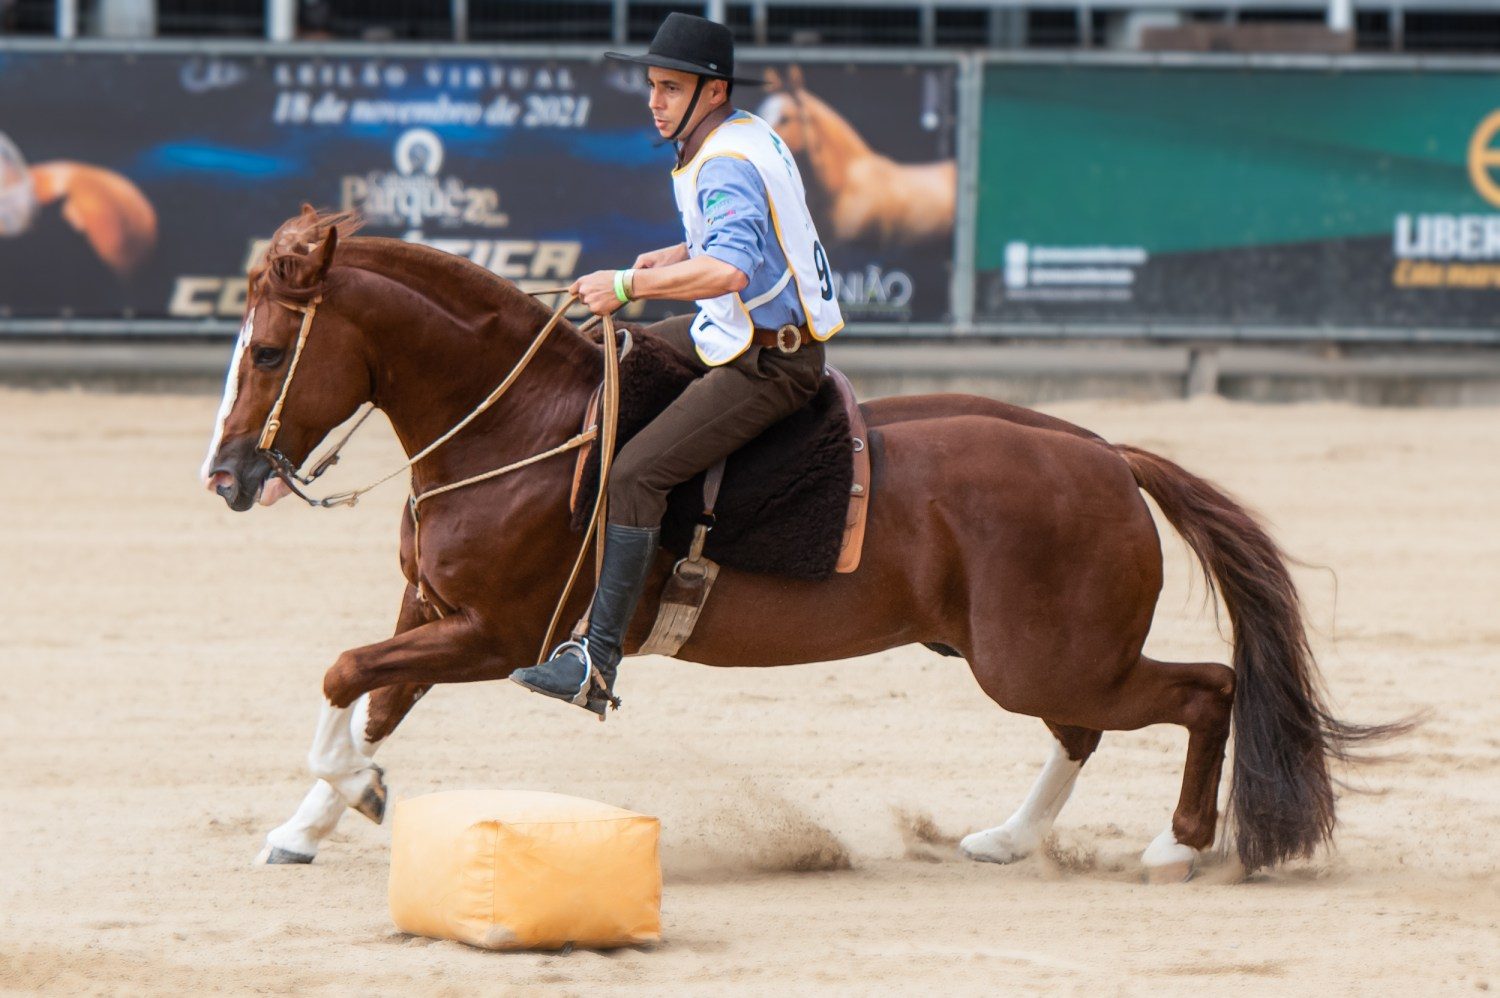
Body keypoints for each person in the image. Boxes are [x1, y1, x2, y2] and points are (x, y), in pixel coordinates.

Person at [511, 12, 844, 717]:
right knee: (616, 352)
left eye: (670, 87)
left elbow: (729, 268)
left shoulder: (722, 158)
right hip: (737, 331)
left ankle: (595, 664)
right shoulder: (742, 134)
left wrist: (628, 285)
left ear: (713, 92)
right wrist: (678, 251)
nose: (654, 101)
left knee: (636, 473)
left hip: (767, 362)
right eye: (652, 86)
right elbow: (742, 238)